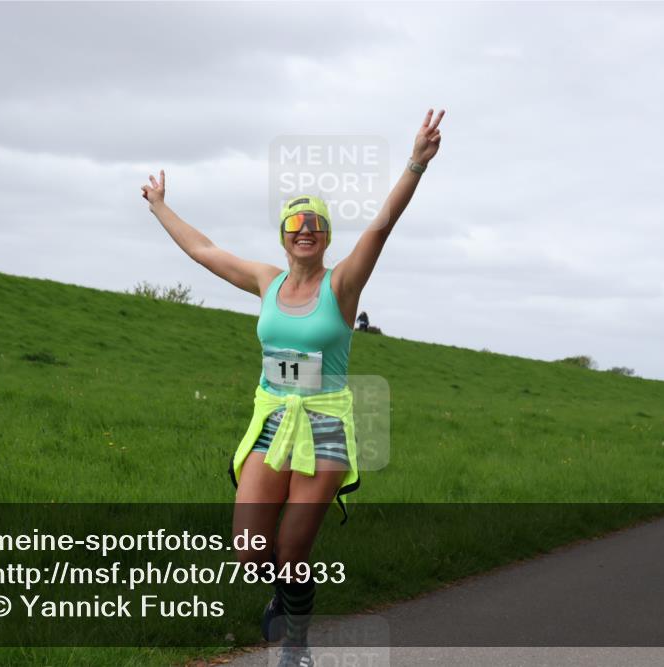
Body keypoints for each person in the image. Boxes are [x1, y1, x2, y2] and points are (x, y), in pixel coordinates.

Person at [141, 108, 445, 667]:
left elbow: (380, 227)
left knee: (293, 547)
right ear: (284, 235)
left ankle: (296, 644)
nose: (306, 232)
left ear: (327, 237)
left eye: (316, 226)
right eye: (296, 225)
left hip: (325, 423)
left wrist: (415, 165)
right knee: (252, 551)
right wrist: (161, 206)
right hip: (273, 419)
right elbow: (204, 251)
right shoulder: (266, 280)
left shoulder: (344, 283)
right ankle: (284, 595)